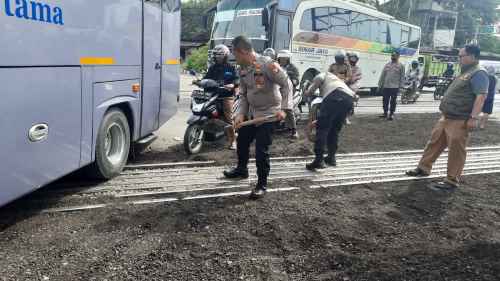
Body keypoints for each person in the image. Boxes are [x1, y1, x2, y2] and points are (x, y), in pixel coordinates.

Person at [405, 45, 489, 190]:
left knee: (456, 150)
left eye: (461, 56)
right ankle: (423, 168)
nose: (459, 59)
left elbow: (481, 97)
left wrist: (473, 118)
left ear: (473, 56)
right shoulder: (465, 72)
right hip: (447, 117)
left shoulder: (479, 73)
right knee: (434, 142)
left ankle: (451, 180)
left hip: (460, 119)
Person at [223, 36, 291, 199]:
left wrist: (284, 109)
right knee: (242, 140)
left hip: (269, 114)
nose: (235, 58)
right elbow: (244, 95)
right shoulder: (243, 69)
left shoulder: (267, 64)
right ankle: (242, 169)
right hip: (252, 113)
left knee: (261, 150)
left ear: (244, 51)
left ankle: (262, 184)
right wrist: (240, 114)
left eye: (236, 54)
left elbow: (287, 84)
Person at [304, 71, 355, 171]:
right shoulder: (335, 78)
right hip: (349, 99)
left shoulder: (322, 74)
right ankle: (331, 158)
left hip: (334, 97)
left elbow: (315, 85)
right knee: (334, 130)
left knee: (322, 129)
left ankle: (319, 160)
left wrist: (307, 91)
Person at [203, 44, 238, 149]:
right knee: (205, 112)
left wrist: (233, 85)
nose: (217, 57)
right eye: (216, 55)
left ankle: (233, 141)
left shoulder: (231, 68)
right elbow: (206, 78)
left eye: (220, 55)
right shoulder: (212, 68)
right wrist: (199, 81)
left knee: (228, 119)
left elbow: (237, 80)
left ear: (225, 56)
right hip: (212, 95)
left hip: (226, 96)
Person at [277, 49, 300, 139]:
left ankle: (294, 130)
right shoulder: (276, 66)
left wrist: (293, 81)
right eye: (281, 57)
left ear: (287, 58)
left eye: (284, 58)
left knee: (288, 109)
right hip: (277, 88)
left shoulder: (292, 68)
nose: (283, 59)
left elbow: (296, 80)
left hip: (288, 89)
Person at [378, 50, 405, 121]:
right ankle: (385, 113)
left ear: (398, 56)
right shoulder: (387, 65)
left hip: (395, 87)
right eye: (392, 55)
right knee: (385, 100)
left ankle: (391, 114)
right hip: (386, 86)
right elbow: (382, 75)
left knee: (393, 101)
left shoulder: (401, 66)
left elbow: (402, 77)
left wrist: (401, 87)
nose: (393, 57)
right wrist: (380, 85)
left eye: (394, 55)